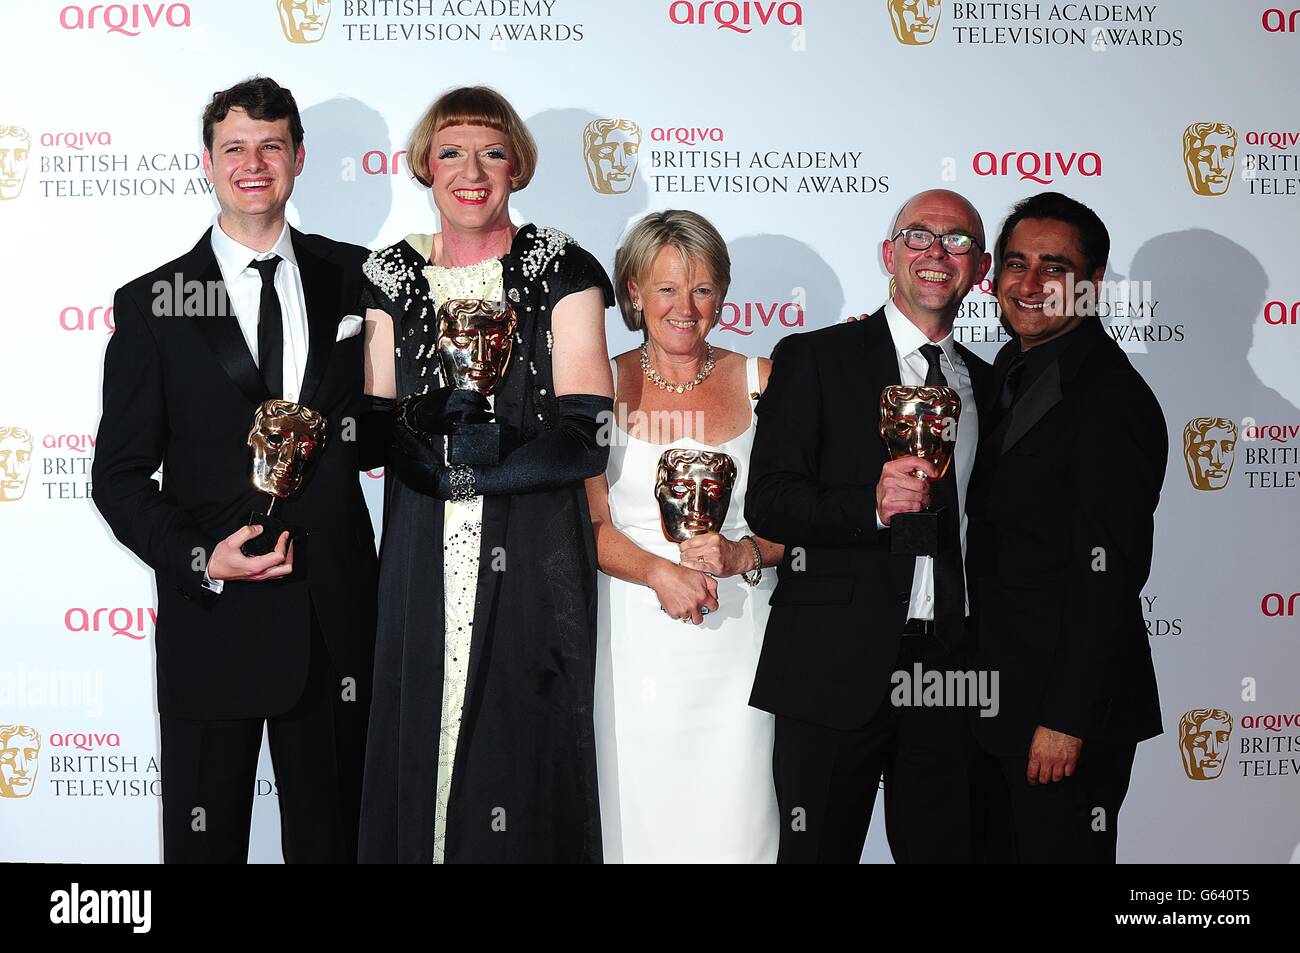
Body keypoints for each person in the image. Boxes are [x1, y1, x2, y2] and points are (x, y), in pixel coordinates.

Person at [91, 76, 378, 863]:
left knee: (334, 846)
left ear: (298, 158)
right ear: (209, 162)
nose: (253, 163)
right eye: (235, 148)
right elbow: (116, 476)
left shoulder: (360, 280)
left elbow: (385, 433)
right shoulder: (154, 301)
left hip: (335, 626)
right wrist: (198, 557)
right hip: (211, 626)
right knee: (204, 846)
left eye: (271, 146)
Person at [358, 86, 614, 864]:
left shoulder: (559, 266)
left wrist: (470, 478)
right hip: (418, 549)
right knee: (419, 730)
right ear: (424, 167)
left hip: (532, 546)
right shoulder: (390, 276)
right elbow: (371, 432)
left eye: (492, 152)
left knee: (518, 743)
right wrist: (424, 430)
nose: (472, 170)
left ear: (518, 167)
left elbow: (585, 438)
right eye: (451, 152)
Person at [746, 189, 994, 863]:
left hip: (950, 668)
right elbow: (768, 502)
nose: (937, 253)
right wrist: (871, 504)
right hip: (832, 662)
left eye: (958, 241)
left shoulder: (991, 387)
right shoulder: (816, 358)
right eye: (918, 236)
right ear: (890, 254)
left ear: (981, 268)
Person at [965, 191, 1165, 863]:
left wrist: (1066, 719)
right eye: (1016, 262)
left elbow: (1108, 572)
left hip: (1063, 717)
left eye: (1053, 267)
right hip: (995, 705)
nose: (1029, 283)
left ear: (1093, 283)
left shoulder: (1111, 397)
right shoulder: (1005, 374)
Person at [587, 210, 783, 863]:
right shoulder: (599, 384)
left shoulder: (766, 381)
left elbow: (806, 520)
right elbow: (587, 525)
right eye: (666, 288)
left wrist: (744, 550)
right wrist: (658, 572)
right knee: (637, 825)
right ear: (634, 293)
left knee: (738, 822)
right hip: (632, 645)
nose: (685, 306)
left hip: (741, 645)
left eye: (702, 288)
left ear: (722, 294)